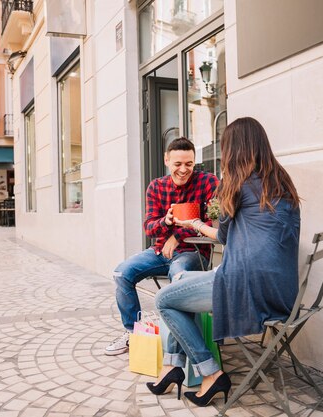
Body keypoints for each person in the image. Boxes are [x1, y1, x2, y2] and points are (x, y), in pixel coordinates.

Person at [146, 117, 301, 406]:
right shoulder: (280, 180)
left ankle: (210, 372)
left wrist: (194, 225)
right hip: (283, 289)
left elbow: (226, 236)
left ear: (234, 150)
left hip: (247, 287)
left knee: (165, 300)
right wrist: (196, 225)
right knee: (180, 282)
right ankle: (171, 367)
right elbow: (233, 235)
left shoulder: (236, 184)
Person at [104, 137, 219, 356]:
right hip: (159, 252)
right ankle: (133, 333)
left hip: (194, 253)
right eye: (178, 164)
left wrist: (177, 236)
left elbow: (213, 224)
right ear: (167, 160)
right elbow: (149, 228)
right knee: (121, 273)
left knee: (178, 279)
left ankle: (185, 344)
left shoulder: (208, 182)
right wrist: (165, 222)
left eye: (189, 164)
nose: (184, 170)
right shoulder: (156, 186)